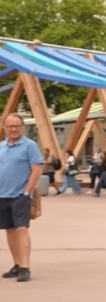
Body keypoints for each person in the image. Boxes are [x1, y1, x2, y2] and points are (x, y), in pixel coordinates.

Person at [0, 113, 43, 283]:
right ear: (4, 128)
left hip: (20, 195)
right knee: (9, 230)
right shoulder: (2, 146)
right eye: (9, 126)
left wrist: (26, 192)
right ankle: (17, 264)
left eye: (16, 125)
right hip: (2, 195)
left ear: (22, 127)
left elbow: (37, 170)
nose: (13, 129)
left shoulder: (29, 146)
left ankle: (25, 267)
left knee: (21, 229)